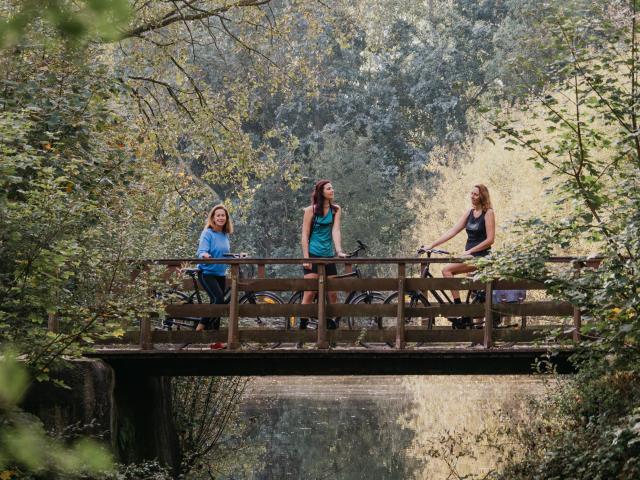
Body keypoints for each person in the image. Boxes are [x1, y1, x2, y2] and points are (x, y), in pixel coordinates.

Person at [423, 184, 495, 327]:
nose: (472, 196)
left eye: (475, 194)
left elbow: (490, 240)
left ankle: (459, 308)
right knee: (470, 290)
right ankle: (464, 313)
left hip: (481, 257)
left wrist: (470, 251)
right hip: (469, 257)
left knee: (446, 270)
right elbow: (453, 231)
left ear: (482, 196)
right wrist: (432, 245)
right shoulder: (469, 213)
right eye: (471, 193)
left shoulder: (488, 213)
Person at [300, 180, 347, 330]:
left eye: (332, 188)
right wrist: (306, 258)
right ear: (321, 192)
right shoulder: (310, 210)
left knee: (332, 294)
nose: (332, 190)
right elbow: (304, 235)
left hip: (329, 255)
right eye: (329, 188)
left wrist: (339, 250)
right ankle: (302, 328)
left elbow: (336, 231)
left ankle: (330, 327)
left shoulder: (336, 209)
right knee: (310, 293)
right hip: (313, 254)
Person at [196, 204, 232, 334]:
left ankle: (215, 339)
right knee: (219, 299)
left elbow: (225, 253)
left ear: (226, 218)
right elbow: (201, 251)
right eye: (218, 215)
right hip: (207, 272)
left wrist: (237, 256)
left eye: (223, 215)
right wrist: (204, 255)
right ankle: (201, 325)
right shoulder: (207, 233)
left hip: (220, 273)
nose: (221, 218)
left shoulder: (224, 235)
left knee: (218, 304)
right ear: (213, 218)